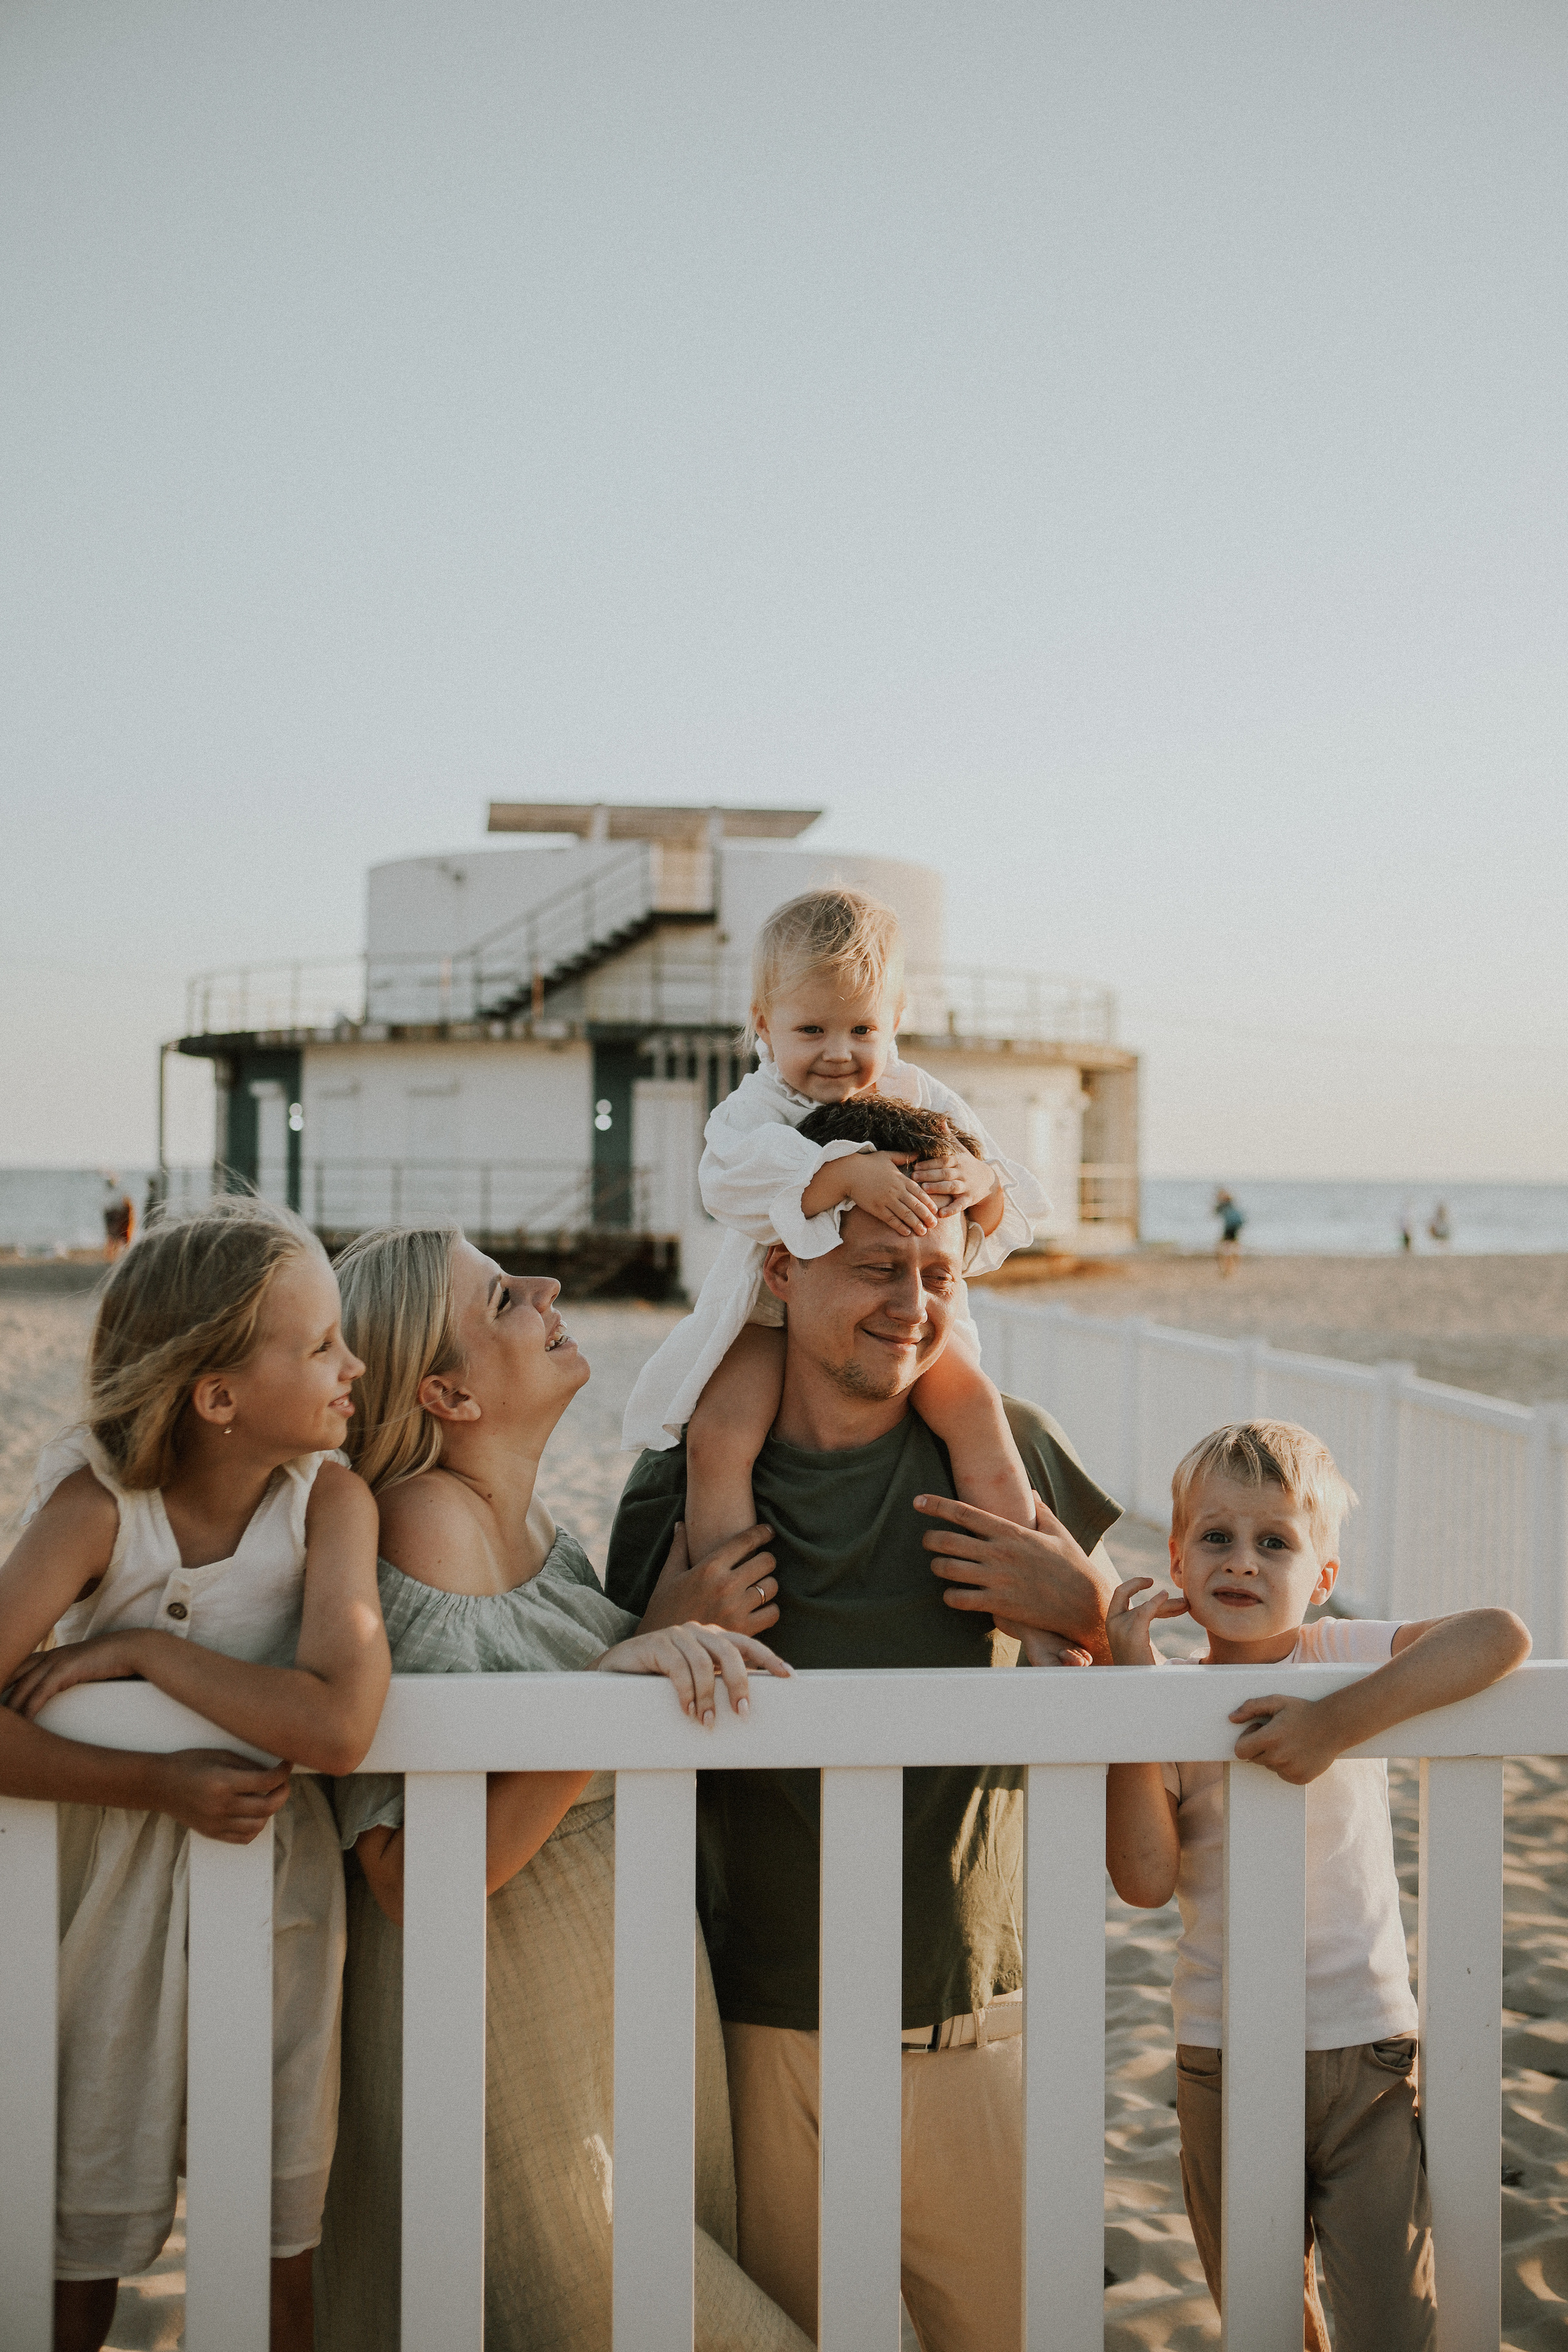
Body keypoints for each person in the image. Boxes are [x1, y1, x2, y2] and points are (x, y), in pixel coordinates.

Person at [606, 1096, 1123, 2352]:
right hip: (763, 2027)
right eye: (877, 1266)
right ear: (780, 1265)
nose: (911, 1303)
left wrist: (1093, 1606)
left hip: (981, 2014)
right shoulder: (683, 1485)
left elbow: (1119, 1663)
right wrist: (645, 1639)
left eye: (937, 1272)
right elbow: (595, 1729)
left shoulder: (1016, 1455)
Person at [315, 1224, 810, 2352]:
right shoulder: (423, 1527)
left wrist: (653, 1638)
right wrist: (619, 1680)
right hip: (515, 2083)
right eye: (500, 1299)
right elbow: (410, 1874)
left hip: (604, 2056)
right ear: (445, 1392)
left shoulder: (537, 1530)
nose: (544, 1288)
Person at [0, 1196, 391, 2352]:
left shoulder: (332, 1504)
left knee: (277, 2230)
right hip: (102, 1909)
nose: (353, 1363)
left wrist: (143, 1653)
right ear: (217, 1398)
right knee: (79, 2229)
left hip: (276, 1900)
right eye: (321, 1344)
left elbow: (338, 1725)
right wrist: (155, 1786)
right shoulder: (96, 1511)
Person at [1102, 1419, 1530, 2352]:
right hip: (1221, 2049)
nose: (1242, 1563)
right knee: (1261, 2316)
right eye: (1216, 1537)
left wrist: (1338, 1722)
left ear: (1322, 1577)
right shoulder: (1169, 1695)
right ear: (1176, 1556)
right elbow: (1142, 1880)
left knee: (1390, 2316)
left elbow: (1499, 1635)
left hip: (1365, 2048)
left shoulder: (1338, 1658)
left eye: (1276, 1542)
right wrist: (1133, 1696)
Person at [622, 885, 1049, 1567]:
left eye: (861, 1030)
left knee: (976, 1410)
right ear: (764, 1025)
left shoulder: (919, 1095)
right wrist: (844, 1175)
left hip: (902, 1315)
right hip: (764, 1314)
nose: (838, 1053)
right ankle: (729, 1588)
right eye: (811, 1031)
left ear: (895, 1021)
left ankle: (1021, 1577)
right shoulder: (755, 1106)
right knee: (721, 1433)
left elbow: (993, 1222)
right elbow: (727, 1182)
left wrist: (981, 1183)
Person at [1213, 1186, 1245, 1273]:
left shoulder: (1224, 1206)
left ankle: (1228, 1269)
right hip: (1235, 1227)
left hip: (1230, 1228)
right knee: (1232, 1249)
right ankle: (1232, 1269)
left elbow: (1214, 1213)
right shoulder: (1232, 1206)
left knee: (1225, 1250)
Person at [101, 1172, 134, 1259]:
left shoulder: (111, 1194)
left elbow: (108, 1207)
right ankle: (113, 1254)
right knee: (115, 1237)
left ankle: (114, 1254)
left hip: (114, 1217)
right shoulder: (115, 1193)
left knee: (114, 1237)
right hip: (114, 1217)